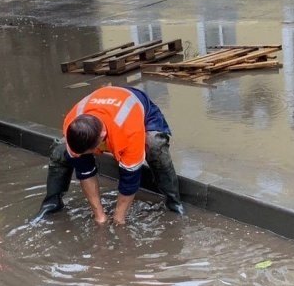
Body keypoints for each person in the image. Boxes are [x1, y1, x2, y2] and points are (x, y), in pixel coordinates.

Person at [36, 85, 184, 225]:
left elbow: (130, 180)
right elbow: (84, 171)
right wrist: (99, 215)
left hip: (137, 104)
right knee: (59, 151)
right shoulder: (72, 124)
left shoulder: (128, 132)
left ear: (102, 137)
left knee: (154, 145)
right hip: (106, 107)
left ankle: (173, 201)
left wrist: (119, 218)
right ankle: (52, 202)